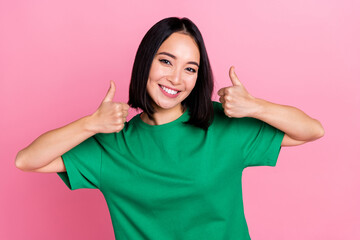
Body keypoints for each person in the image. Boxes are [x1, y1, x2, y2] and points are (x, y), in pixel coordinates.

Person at [15, 17, 324, 239]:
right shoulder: (112, 144)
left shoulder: (221, 125)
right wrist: (89, 124)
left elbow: (311, 130)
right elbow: (27, 160)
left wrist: (255, 106)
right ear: (146, 62)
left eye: (190, 68)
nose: (177, 78)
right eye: (166, 61)